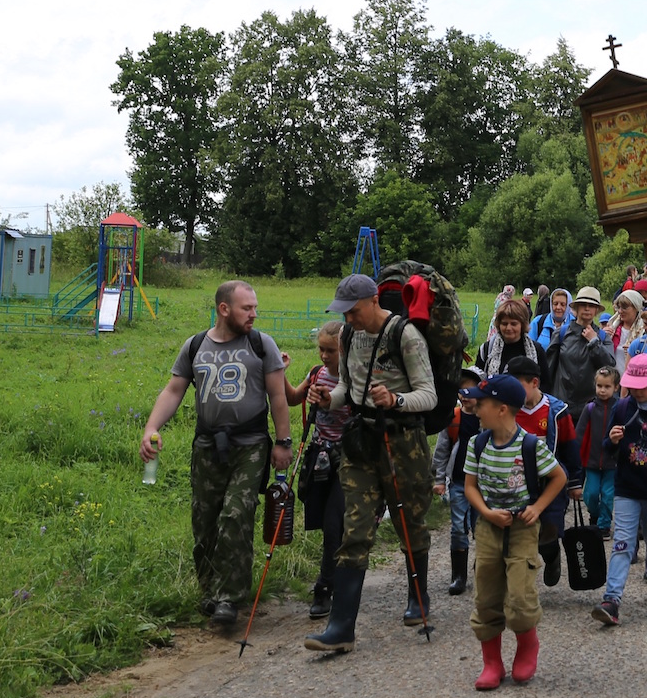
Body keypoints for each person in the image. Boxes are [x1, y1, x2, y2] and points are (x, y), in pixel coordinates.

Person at [139, 280, 293, 632]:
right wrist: (150, 428)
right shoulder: (195, 346)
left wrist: (283, 442)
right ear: (224, 309)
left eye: (255, 307)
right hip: (207, 446)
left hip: (251, 444)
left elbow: (278, 397)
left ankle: (230, 597)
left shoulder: (261, 344)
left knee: (236, 515)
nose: (253, 314)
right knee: (205, 521)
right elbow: (174, 390)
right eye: (246, 308)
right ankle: (209, 589)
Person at [303, 274, 440, 654]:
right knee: (355, 528)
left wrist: (395, 401)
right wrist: (329, 398)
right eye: (343, 313)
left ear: (374, 300)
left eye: (354, 311)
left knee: (409, 522)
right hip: (361, 440)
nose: (349, 320)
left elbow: (428, 395)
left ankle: (419, 599)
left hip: (403, 441)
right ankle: (341, 627)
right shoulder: (348, 338)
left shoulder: (405, 335)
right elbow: (349, 387)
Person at [461, 373, 568, 689]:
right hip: (488, 526)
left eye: (481, 404)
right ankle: (492, 662)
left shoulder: (531, 445)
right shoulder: (476, 444)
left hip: (522, 528)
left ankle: (527, 644)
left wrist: (537, 508)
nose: (476, 409)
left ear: (502, 409)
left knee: (520, 594)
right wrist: (486, 513)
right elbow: (470, 486)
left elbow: (558, 477)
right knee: (486, 592)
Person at [593, 352, 647, 625]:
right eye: (632, 386)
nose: (636, 392)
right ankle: (612, 599)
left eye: (642, 387)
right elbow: (606, 446)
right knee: (622, 544)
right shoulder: (623, 407)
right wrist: (612, 441)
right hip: (627, 486)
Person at [284, 319, 351, 618]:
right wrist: (281, 373)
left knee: (334, 524)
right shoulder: (316, 374)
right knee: (326, 523)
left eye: (330, 351)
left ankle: (325, 587)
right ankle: (341, 569)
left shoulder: (355, 379)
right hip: (320, 458)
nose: (324, 356)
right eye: (321, 350)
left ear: (344, 350)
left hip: (349, 460)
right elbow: (292, 398)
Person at [506, 355, 580, 587]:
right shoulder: (507, 411)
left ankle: (551, 555)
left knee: (548, 530)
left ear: (535, 383)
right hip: (517, 482)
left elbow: (569, 446)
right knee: (520, 531)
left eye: (517, 387)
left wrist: (575, 481)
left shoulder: (556, 412)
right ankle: (521, 581)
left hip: (551, 482)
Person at [430, 366, 487, 597]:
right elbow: (442, 450)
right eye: (461, 389)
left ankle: (482, 571)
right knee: (457, 528)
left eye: (470, 388)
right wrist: (439, 479)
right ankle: (459, 576)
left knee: (481, 528)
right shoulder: (453, 417)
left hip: (483, 485)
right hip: (459, 482)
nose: (465, 394)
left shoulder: (487, 418)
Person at [545, 286, 616, 422]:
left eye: (591, 305)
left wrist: (594, 342)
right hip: (562, 405)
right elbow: (549, 368)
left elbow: (609, 366)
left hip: (591, 407)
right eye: (583, 305)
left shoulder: (602, 337)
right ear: (576, 308)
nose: (587, 309)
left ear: (596, 311)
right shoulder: (561, 333)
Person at [577, 365, 624, 533]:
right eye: (599, 386)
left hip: (613, 461)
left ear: (616, 387)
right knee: (590, 494)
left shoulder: (620, 408)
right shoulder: (590, 408)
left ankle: (604, 525)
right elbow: (580, 433)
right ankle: (594, 514)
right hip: (592, 459)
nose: (602, 390)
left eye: (607, 387)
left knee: (607, 495)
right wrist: (577, 455)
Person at [477, 297, 539, 375]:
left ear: (522, 325)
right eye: (504, 324)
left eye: (513, 324)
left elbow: (545, 384)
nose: (508, 328)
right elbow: (477, 381)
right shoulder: (487, 350)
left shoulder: (536, 350)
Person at [606, 289, 646, 373]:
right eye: (618, 307)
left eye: (624, 307)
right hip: (612, 380)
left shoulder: (645, 332)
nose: (620, 311)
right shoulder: (612, 328)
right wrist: (602, 337)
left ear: (637, 307)